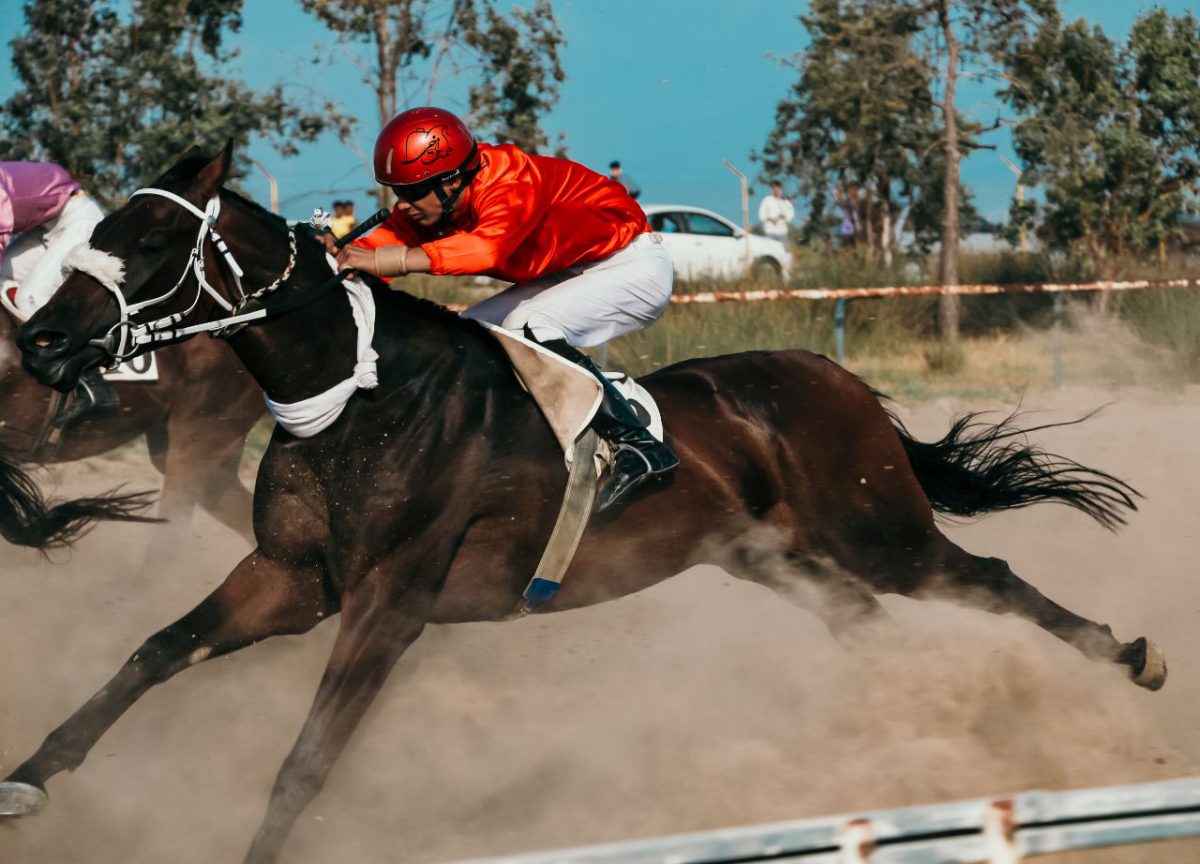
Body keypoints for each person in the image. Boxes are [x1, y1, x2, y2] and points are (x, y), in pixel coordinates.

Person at [332, 106, 677, 512]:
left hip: (632, 264)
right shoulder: (441, 198)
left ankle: (635, 444)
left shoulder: (510, 181)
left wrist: (389, 261)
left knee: (527, 324)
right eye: (397, 192)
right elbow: (377, 246)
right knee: (462, 338)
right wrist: (328, 256)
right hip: (575, 270)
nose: (402, 205)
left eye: (411, 192)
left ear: (452, 179)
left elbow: (485, 249)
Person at [0, 161, 118, 423]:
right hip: (45, 226)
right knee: (3, 278)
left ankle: (91, 384)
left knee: (31, 297)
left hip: (77, 218)